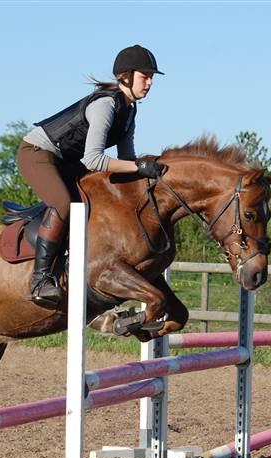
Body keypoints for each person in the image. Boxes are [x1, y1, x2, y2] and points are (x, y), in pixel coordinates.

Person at [17, 44, 166, 309]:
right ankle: (40, 279)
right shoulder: (106, 104)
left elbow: (126, 160)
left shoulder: (130, 110)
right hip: (38, 153)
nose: (150, 82)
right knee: (64, 203)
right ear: (126, 76)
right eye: (145, 76)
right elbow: (94, 159)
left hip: (66, 160)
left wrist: (147, 169)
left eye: (151, 77)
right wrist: (138, 168)